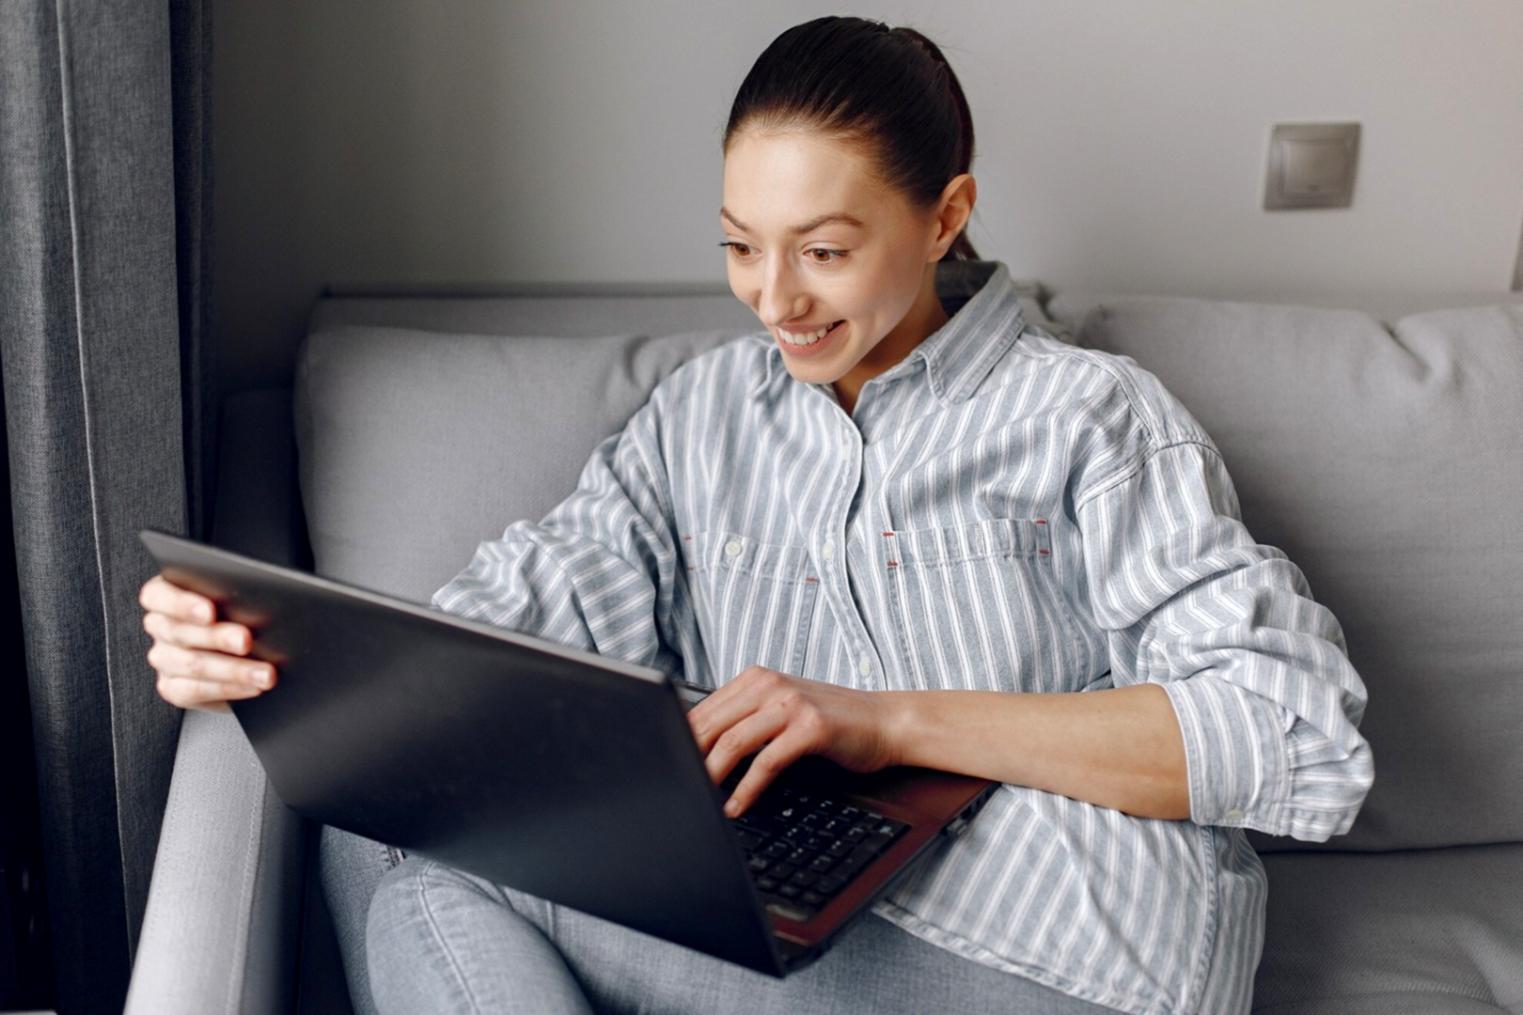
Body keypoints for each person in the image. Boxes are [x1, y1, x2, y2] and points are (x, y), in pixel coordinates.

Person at [139, 15, 1375, 1015]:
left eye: (823, 252)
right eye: (740, 246)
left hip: (1060, 945)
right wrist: (256, 647)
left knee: (418, 873)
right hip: (789, 909)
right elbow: (497, 638)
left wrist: (886, 722)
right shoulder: (706, 416)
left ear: (944, 216)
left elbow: (1296, 738)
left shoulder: (1088, 418)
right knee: (379, 825)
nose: (773, 299)